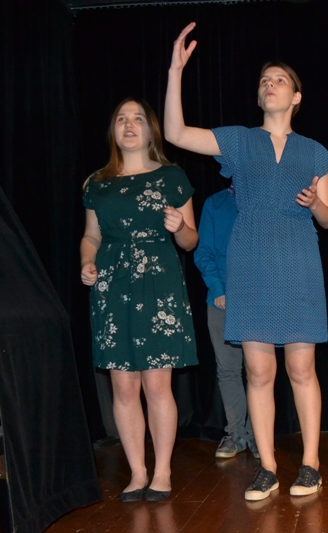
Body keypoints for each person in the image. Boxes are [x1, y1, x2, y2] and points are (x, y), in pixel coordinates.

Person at [165, 22, 328, 500]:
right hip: (252, 260)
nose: (269, 84)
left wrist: (314, 205)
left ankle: (311, 464)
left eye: (279, 79)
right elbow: (175, 133)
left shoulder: (315, 152)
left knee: (301, 369)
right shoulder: (239, 140)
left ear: (296, 97)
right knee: (259, 372)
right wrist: (175, 72)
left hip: (299, 259)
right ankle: (267, 466)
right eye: (264, 80)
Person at [80, 97, 199, 503]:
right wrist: (87, 262)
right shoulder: (97, 182)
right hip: (112, 284)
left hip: (158, 281)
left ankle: (162, 471)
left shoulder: (172, 177)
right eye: (121, 119)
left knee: (157, 384)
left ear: (151, 130)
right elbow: (91, 235)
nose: (128, 125)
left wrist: (179, 226)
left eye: (137, 119)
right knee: (124, 385)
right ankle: (137, 472)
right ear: (113, 130)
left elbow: (190, 240)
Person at [195, 181, 260, 460]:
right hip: (222, 301)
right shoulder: (215, 203)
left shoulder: (264, 200)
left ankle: (259, 436)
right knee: (228, 370)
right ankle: (236, 434)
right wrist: (218, 289)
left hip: (259, 300)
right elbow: (203, 251)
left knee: (259, 371)